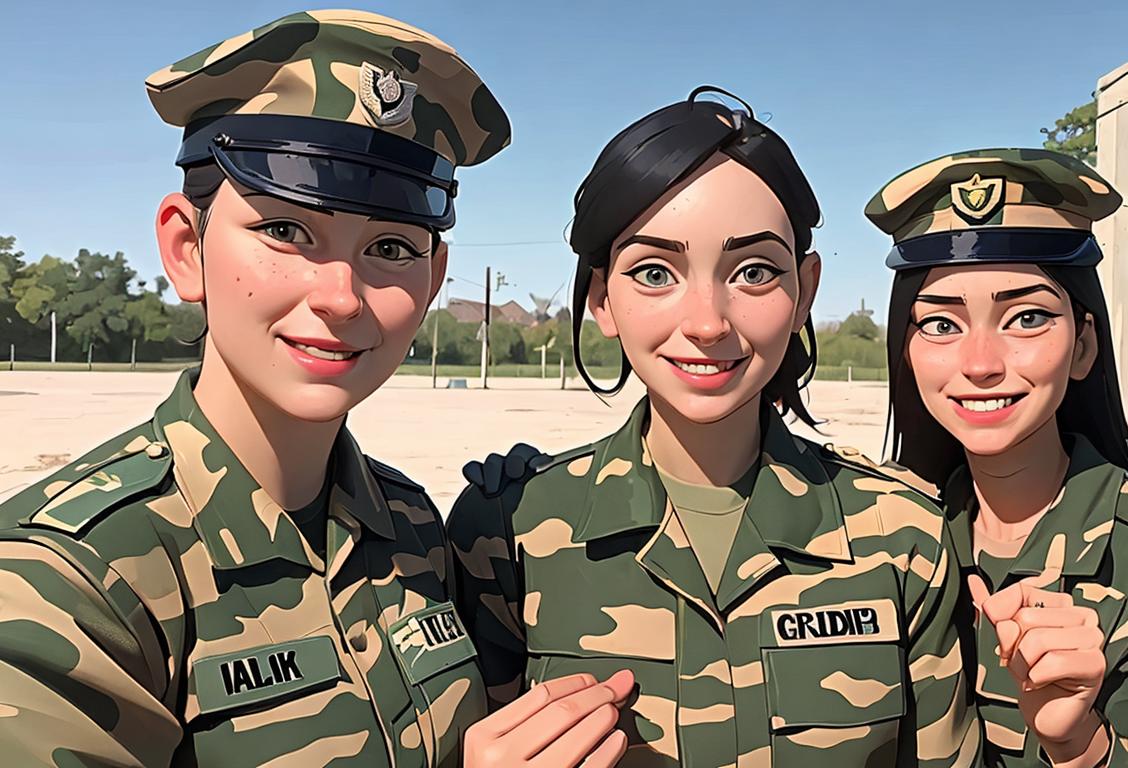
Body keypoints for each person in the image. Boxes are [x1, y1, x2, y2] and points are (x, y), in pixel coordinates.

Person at [0, 11, 630, 767]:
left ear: (432, 282)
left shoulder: (413, 530)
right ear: (186, 247)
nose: (341, 295)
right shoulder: (70, 582)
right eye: (286, 232)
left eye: (390, 248)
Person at [447, 88, 981, 767]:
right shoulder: (506, 530)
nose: (707, 322)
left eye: (754, 272)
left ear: (804, 291)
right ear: (602, 299)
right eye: (654, 272)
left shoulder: (898, 534)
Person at [868, 148, 1128, 767]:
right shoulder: (884, 536)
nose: (981, 364)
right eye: (939, 325)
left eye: (1027, 317)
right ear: (905, 352)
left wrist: (1079, 745)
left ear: (1084, 344)